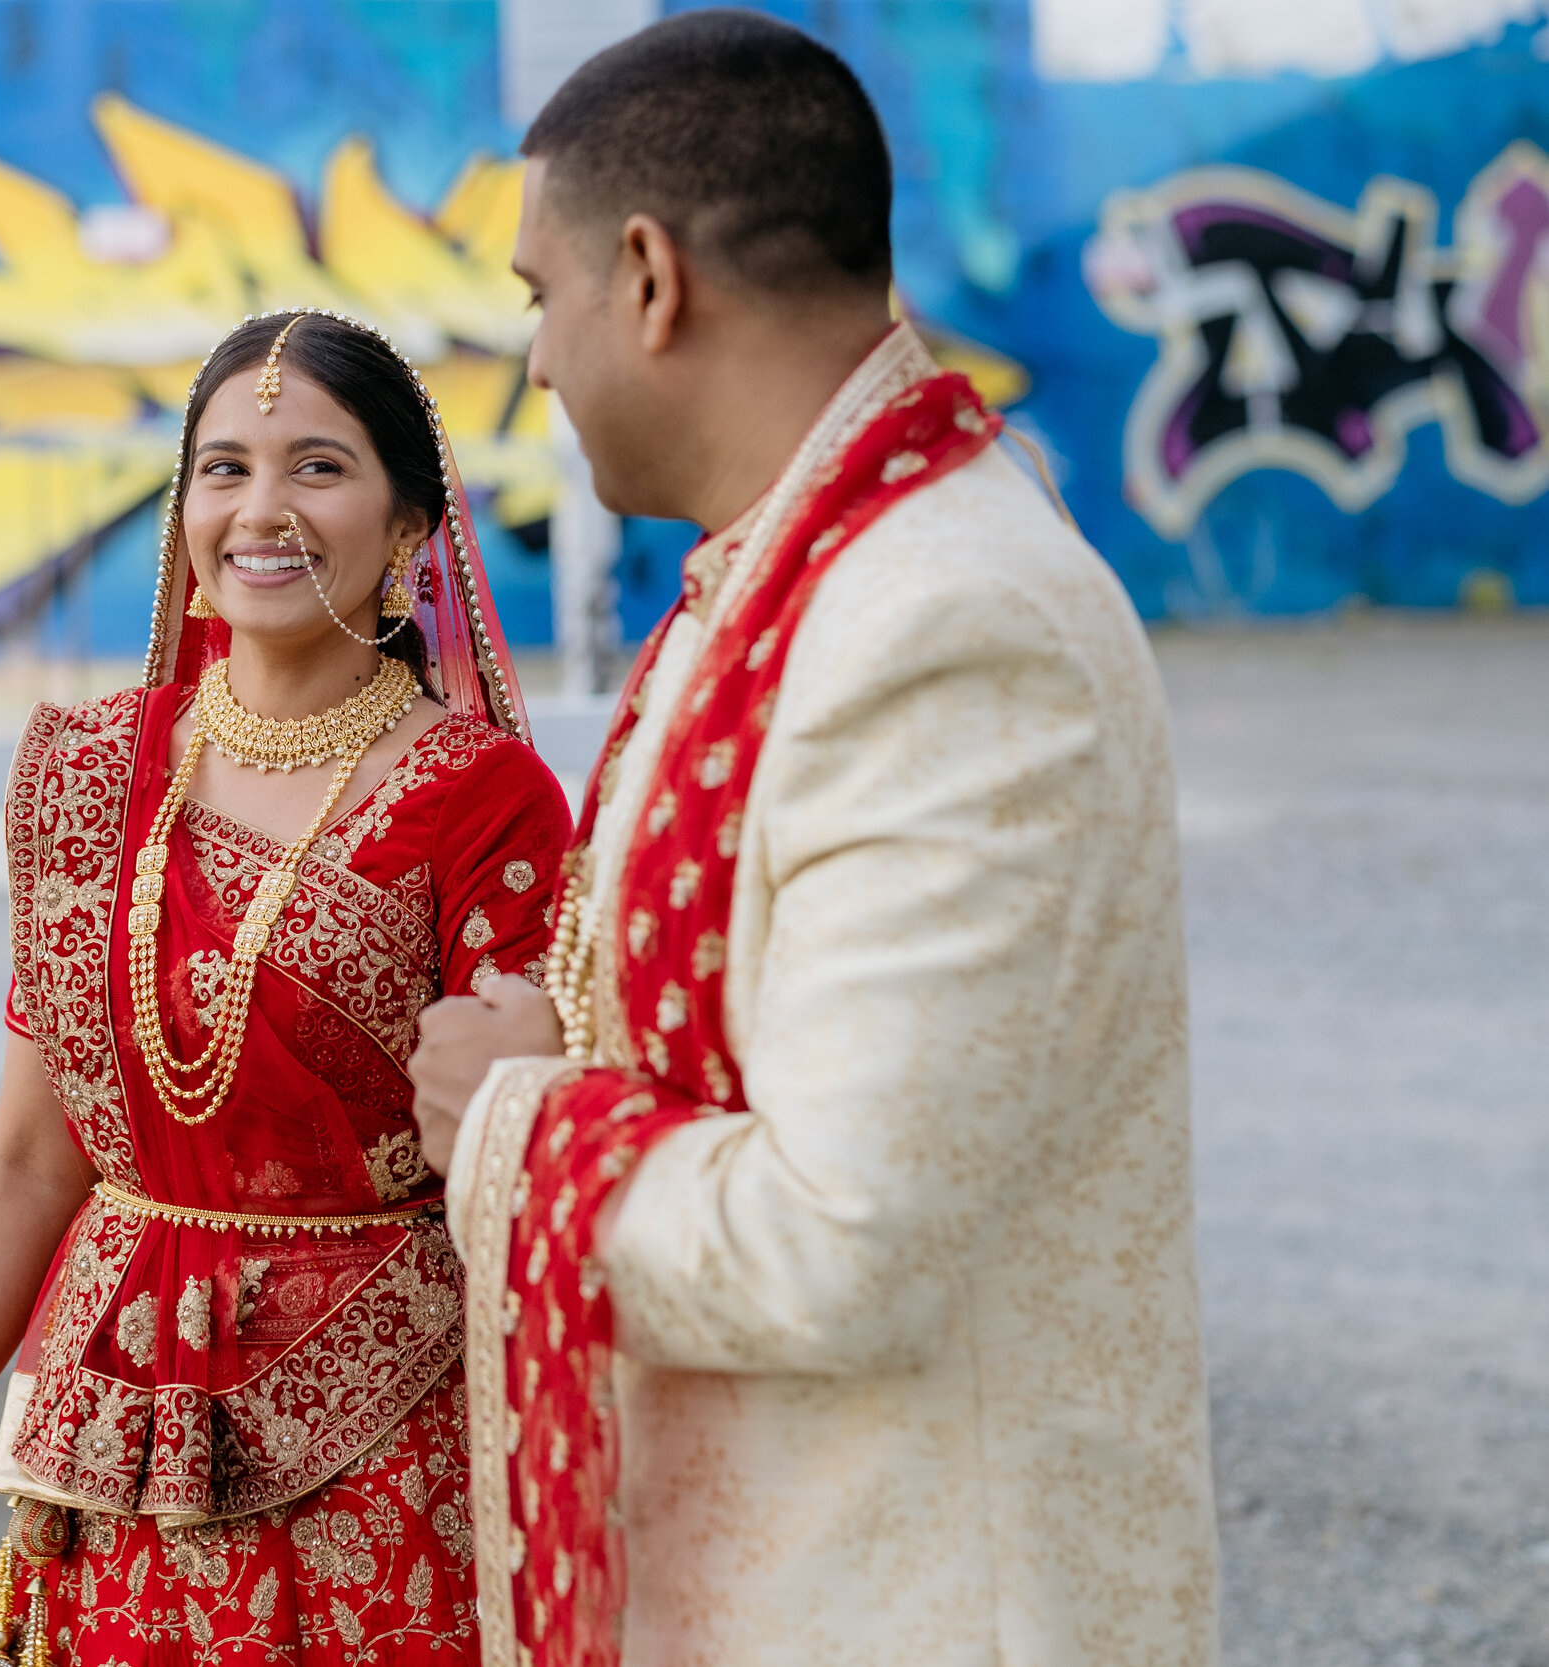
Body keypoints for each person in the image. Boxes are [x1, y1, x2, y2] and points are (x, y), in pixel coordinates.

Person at [407, 13, 1220, 1667]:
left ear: (648, 278)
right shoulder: (799, 577)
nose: (540, 362)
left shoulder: (946, 616)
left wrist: (508, 1123)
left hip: (914, 1604)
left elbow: (837, 1237)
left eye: (536, 297)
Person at [0, 309, 574, 1667]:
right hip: (109, 1448)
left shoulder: (485, 803)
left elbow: (525, 1169)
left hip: (389, 1474)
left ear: (413, 527)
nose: (261, 508)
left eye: (318, 467)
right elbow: (28, 1156)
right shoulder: (87, 775)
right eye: (225, 467)